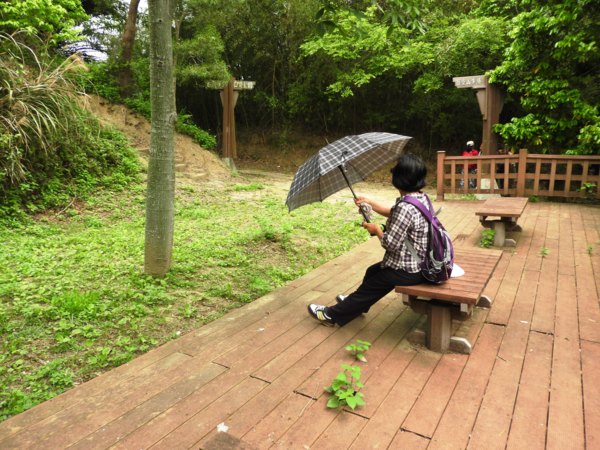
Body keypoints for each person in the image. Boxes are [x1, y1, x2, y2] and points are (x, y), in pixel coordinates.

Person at [307, 154, 429, 326]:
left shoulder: (405, 208)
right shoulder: (419, 198)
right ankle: (358, 306)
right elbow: (393, 212)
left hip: (408, 270)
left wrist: (376, 229)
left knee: (373, 285)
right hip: (420, 261)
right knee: (372, 272)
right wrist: (369, 202)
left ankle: (331, 315)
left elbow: (390, 244)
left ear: (399, 179)